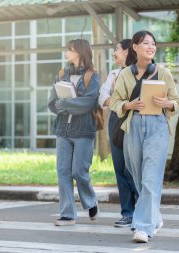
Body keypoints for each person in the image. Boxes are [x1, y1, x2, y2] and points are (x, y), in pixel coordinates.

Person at [110, 30, 179, 243]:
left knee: (151, 177)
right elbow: (114, 102)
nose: (150, 47)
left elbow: (176, 102)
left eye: (153, 44)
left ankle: (142, 227)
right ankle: (155, 217)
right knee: (139, 177)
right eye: (145, 43)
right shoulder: (125, 74)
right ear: (135, 47)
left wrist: (167, 104)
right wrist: (128, 105)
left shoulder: (163, 73)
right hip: (133, 126)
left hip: (157, 126)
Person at [48, 39, 100, 226]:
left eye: (69, 50)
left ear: (78, 52)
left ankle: (90, 201)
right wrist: (61, 105)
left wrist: (66, 104)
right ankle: (68, 214)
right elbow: (53, 100)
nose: (66, 53)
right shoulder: (62, 73)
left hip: (84, 131)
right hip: (63, 130)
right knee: (63, 171)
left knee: (79, 171)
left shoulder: (92, 76)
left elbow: (89, 102)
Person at [98, 39, 139, 228]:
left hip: (136, 120)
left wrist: (116, 100)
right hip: (116, 119)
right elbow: (102, 98)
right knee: (120, 167)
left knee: (134, 167)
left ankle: (143, 210)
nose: (114, 53)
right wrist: (117, 101)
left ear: (127, 51)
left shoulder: (139, 71)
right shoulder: (113, 74)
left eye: (117, 49)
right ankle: (127, 212)